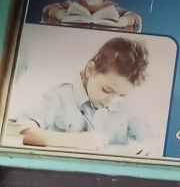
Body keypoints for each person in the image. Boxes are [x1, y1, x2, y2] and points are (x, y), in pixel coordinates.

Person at [20, 36, 149, 152]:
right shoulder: (57, 97)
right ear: (90, 70)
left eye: (121, 95)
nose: (111, 101)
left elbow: (150, 143)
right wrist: (74, 141)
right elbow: (23, 133)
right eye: (106, 90)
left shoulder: (126, 108)